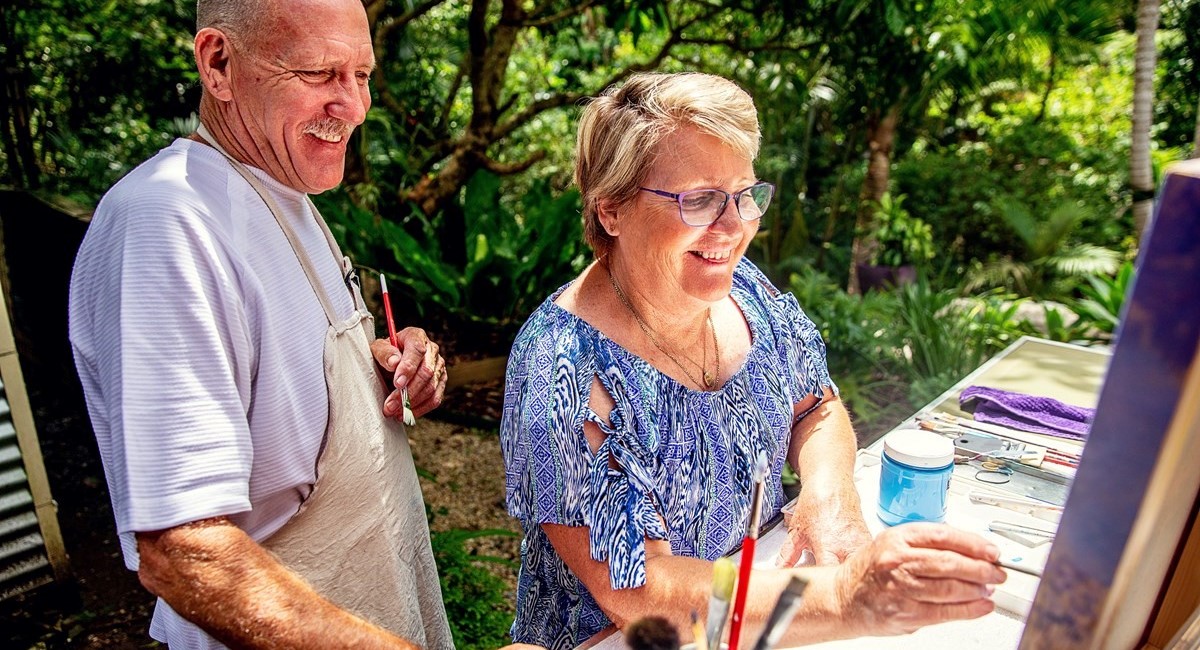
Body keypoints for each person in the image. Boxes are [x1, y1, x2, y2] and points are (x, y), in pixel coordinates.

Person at [499, 72, 1007, 648]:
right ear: (612, 211)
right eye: (699, 199)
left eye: (746, 195)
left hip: (763, 606)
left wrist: (828, 491)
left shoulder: (744, 290)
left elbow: (816, 405)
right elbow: (642, 593)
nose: (735, 225)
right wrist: (843, 596)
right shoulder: (561, 369)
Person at [68, 0, 464, 647]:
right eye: (318, 73)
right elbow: (182, 549)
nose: (356, 107)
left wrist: (394, 361)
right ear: (218, 64)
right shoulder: (168, 221)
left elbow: (286, 380)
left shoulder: (285, 189)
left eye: (361, 75)